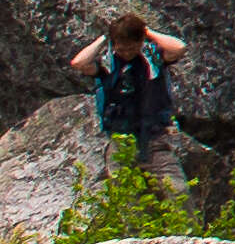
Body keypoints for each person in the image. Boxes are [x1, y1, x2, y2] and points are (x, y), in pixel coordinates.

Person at [68, 11, 188, 146]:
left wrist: (147, 32)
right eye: (121, 49)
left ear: (141, 42)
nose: (127, 53)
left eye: (132, 48)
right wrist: (106, 37)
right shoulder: (108, 65)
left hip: (157, 135)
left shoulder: (153, 59)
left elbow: (179, 47)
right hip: (121, 138)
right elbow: (78, 63)